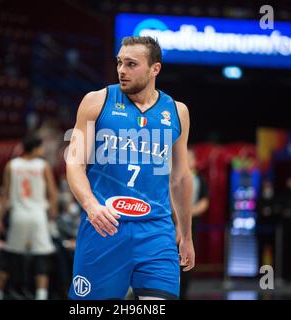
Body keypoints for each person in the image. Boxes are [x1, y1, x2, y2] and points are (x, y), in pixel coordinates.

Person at [66, 36, 195, 300]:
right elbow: (74, 162)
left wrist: (187, 234)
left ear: (154, 69)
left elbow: (180, 178)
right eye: (119, 63)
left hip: (156, 230)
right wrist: (91, 205)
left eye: (131, 64)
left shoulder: (177, 111)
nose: (122, 70)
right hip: (105, 226)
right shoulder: (95, 101)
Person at [0, 134, 59, 300]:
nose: (43, 150)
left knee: (9, 256)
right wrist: (53, 212)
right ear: (35, 148)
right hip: (38, 215)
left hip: (18, 215)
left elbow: (5, 194)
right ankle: (41, 295)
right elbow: (52, 193)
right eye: (41, 147)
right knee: (41, 257)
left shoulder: (11, 165)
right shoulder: (43, 166)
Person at [179, 148, 209, 299]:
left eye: (189, 158)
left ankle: (183, 293)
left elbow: (205, 201)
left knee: (188, 260)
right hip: (172, 226)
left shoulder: (199, 179)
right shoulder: (173, 176)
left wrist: (189, 213)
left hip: (191, 226)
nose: (187, 160)